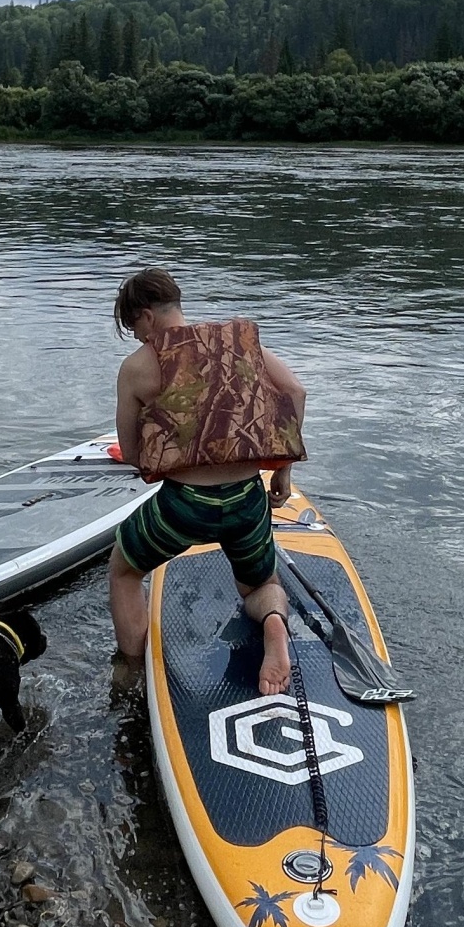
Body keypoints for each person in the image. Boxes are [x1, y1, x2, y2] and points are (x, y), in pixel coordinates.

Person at [108, 267, 307, 694]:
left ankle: (130, 671)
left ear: (146, 316)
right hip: (247, 498)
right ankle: (274, 626)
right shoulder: (238, 343)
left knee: (124, 571)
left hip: (187, 505)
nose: (140, 338)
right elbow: (294, 392)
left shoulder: (138, 367)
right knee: (260, 584)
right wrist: (283, 471)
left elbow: (131, 453)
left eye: (135, 328)